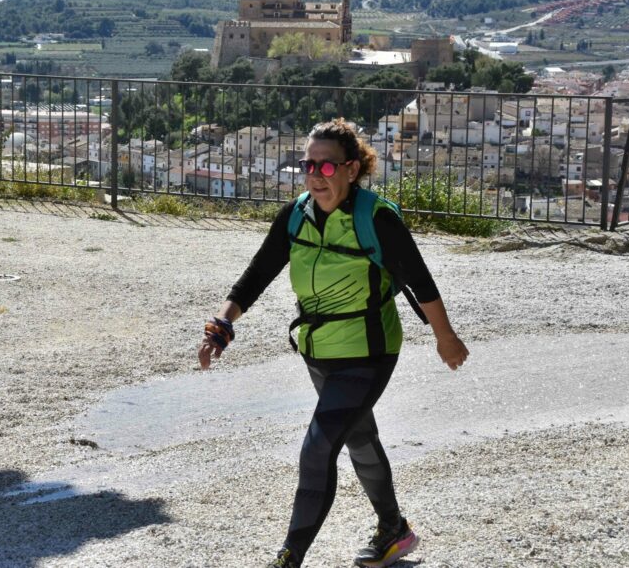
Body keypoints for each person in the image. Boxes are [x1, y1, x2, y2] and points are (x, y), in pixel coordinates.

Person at [199, 118, 469, 568]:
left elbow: (420, 281)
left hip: (368, 350)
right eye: (309, 165)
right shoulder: (295, 215)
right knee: (359, 437)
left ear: (351, 169)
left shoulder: (376, 219)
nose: (316, 176)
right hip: (318, 349)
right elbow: (256, 275)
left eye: (326, 167)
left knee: (318, 447)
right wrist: (222, 326)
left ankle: (289, 557)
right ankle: (394, 529)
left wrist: (445, 337)